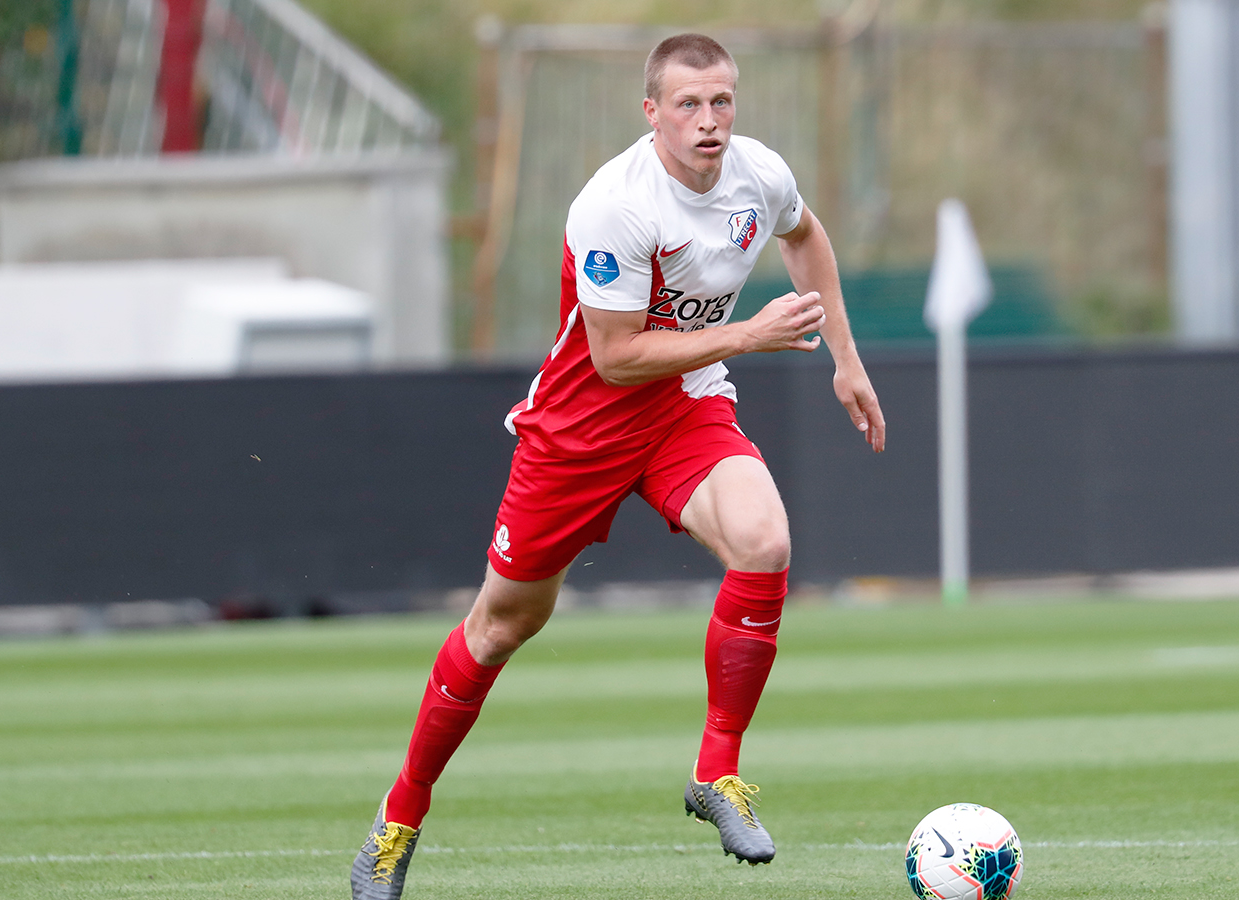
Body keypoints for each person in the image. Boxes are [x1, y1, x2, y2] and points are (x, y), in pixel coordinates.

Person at [351, 32, 886, 900]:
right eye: (688, 105)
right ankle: (399, 817)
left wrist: (845, 360)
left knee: (764, 539)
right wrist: (750, 335)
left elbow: (806, 235)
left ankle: (717, 773)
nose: (709, 122)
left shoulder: (759, 174)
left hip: (683, 406)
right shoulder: (614, 205)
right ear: (652, 113)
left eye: (721, 101)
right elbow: (614, 358)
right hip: (583, 426)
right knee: (502, 627)